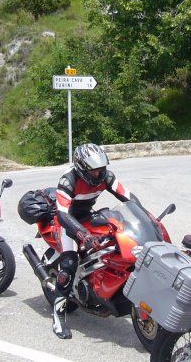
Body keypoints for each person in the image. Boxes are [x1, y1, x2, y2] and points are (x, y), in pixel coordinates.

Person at [50, 143, 133, 339]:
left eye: (101, 168)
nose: (98, 173)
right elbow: (62, 214)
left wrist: (147, 217)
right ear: (81, 168)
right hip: (67, 222)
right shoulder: (68, 181)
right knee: (69, 264)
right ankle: (58, 317)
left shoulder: (106, 177)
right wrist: (83, 234)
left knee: (116, 242)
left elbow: (128, 198)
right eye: (94, 170)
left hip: (88, 216)